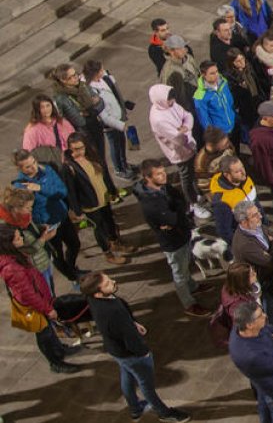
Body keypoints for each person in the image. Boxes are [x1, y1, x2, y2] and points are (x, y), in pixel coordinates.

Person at [82, 271, 193, 422]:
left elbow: (122, 324)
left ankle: (135, 409)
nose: (113, 282)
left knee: (127, 375)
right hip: (131, 354)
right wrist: (143, 353)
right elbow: (129, 337)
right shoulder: (112, 311)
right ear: (98, 294)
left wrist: (133, 323)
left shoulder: (94, 299)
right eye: (107, 283)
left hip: (117, 351)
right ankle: (164, 413)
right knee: (146, 384)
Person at [131, 159, 210, 317]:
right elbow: (171, 219)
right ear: (148, 177)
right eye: (159, 174)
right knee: (179, 272)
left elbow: (180, 200)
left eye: (163, 172)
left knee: (185, 263)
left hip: (182, 233)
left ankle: (192, 286)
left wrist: (177, 210)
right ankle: (188, 303)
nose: (164, 176)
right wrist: (177, 211)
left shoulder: (162, 187)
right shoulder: (151, 203)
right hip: (173, 241)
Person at [0, 223, 81, 373]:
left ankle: (59, 350)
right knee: (44, 333)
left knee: (48, 329)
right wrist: (47, 308)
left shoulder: (15, 255)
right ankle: (55, 362)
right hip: (34, 306)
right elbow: (28, 294)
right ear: (8, 244)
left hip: (40, 299)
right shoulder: (12, 267)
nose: (21, 239)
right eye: (17, 238)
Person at [12, 149, 81, 285]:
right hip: (46, 226)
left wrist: (40, 188)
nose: (34, 167)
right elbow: (24, 211)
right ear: (20, 169)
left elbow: (62, 191)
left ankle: (71, 268)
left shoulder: (47, 170)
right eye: (28, 166)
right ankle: (73, 278)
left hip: (62, 216)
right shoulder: (20, 185)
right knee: (57, 255)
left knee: (75, 244)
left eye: (34, 162)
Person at [61, 133, 131, 265]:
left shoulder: (93, 156)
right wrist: (77, 211)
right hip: (90, 203)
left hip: (103, 197)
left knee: (110, 222)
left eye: (80, 148)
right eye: (74, 149)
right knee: (99, 228)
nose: (78, 152)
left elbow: (104, 175)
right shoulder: (68, 166)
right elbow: (71, 191)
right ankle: (108, 253)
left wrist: (112, 191)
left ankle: (116, 243)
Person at [229, 302, 273, 423]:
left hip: (262, 380)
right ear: (249, 325)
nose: (265, 316)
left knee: (264, 406)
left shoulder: (241, 328)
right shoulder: (252, 356)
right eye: (260, 315)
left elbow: (271, 328)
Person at [231, 199, 273, 331]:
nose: (261, 216)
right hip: (263, 282)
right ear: (243, 221)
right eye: (255, 215)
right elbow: (270, 261)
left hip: (272, 277)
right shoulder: (244, 244)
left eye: (258, 212)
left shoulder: (256, 227)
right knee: (270, 310)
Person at [147, 84, 203, 212]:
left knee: (194, 172)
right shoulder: (159, 119)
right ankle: (193, 203)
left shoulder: (171, 105)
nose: (172, 102)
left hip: (189, 145)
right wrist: (185, 131)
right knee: (186, 177)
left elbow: (188, 116)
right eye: (169, 100)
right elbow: (178, 139)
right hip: (179, 152)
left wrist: (185, 128)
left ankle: (197, 195)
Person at [84, 60, 137, 179]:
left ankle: (124, 164)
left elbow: (114, 94)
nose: (103, 71)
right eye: (101, 70)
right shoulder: (92, 90)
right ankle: (119, 169)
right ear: (95, 73)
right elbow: (103, 115)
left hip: (118, 117)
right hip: (110, 124)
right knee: (115, 145)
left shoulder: (104, 79)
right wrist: (120, 125)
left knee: (122, 142)